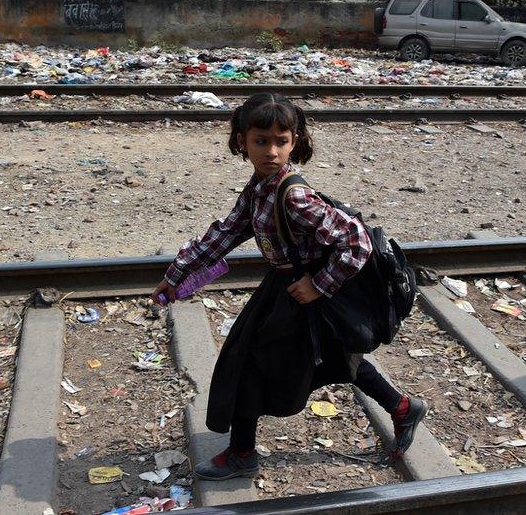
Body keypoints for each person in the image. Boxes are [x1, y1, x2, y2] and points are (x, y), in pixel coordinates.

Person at [151, 93, 427, 480]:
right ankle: (402, 408)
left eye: (281, 141)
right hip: (286, 288)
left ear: (294, 141)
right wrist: (177, 274)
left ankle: (242, 454)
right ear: (242, 141)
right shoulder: (259, 185)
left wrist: (318, 284)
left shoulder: (293, 194)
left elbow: (357, 242)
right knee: (338, 359)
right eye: (261, 141)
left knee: (247, 364)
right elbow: (227, 232)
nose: (271, 151)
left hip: (305, 293)